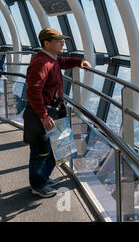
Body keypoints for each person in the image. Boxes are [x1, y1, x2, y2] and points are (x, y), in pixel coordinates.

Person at [23, 28, 91, 198]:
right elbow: (33, 92)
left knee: (55, 149)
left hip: (52, 111)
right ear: (47, 43)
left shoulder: (51, 59)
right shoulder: (42, 63)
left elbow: (62, 62)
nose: (63, 43)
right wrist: (43, 115)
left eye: (63, 40)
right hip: (44, 114)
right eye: (59, 40)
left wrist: (79, 62)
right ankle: (38, 185)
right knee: (41, 151)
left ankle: (43, 178)